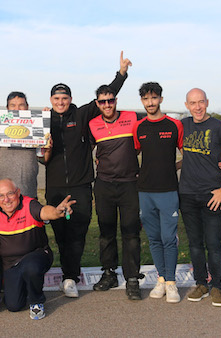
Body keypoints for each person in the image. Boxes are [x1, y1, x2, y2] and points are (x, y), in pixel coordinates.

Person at [42, 51, 131, 298]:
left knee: (78, 232)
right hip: (55, 187)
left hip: (81, 185)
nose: (61, 101)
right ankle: (68, 271)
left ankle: (71, 277)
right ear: (51, 99)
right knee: (61, 234)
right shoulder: (44, 120)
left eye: (65, 97)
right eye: (57, 97)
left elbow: (108, 95)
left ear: (70, 99)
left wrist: (121, 73)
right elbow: (41, 157)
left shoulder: (80, 115)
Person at [0, 179, 76, 320]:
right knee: (14, 305)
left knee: (31, 267)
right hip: (10, 264)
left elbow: (44, 212)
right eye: (1, 195)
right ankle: (26, 285)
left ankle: (36, 302)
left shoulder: (29, 204)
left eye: (10, 194)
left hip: (35, 255)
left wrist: (56, 212)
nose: (6, 199)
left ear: (18, 193)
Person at [179, 88, 221, 307]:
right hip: (186, 194)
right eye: (193, 103)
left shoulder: (219, 127)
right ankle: (201, 284)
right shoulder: (183, 126)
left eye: (201, 102)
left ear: (207, 102)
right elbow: (186, 156)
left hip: (213, 195)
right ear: (187, 105)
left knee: (213, 244)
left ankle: (216, 286)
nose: (197, 107)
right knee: (195, 244)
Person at [88, 85, 143, 300]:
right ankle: (109, 273)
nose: (107, 105)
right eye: (102, 102)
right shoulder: (93, 124)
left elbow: (141, 145)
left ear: (116, 100)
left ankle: (132, 279)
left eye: (110, 100)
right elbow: (89, 150)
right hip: (104, 184)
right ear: (97, 104)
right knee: (106, 232)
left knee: (131, 233)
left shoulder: (132, 118)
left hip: (130, 184)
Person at [132, 82, 183, 303]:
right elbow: (133, 154)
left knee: (168, 238)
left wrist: (174, 167)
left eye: (154, 98)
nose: (150, 103)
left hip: (169, 190)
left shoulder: (174, 125)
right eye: (146, 99)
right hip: (145, 191)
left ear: (161, 99)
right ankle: (161, 279)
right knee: (153, 238)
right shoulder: (138, 127)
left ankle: (171, 282)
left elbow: (187, 154)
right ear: (142, 101)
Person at [0, 91, 39, 199]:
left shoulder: (37, 127)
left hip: (27, 192)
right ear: (7, 108)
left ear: (27, 107)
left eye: (21, 105)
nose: (17, 109)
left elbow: (44, 158)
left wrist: (46, 148)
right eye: (13, 105)